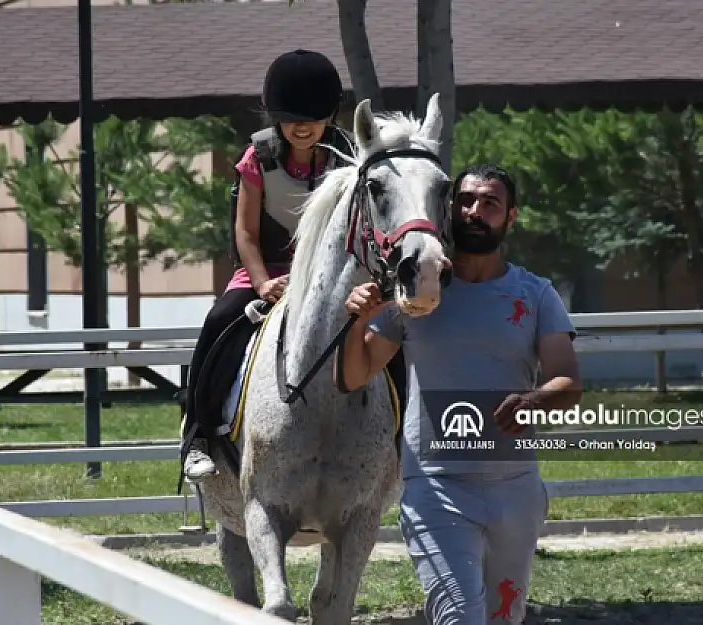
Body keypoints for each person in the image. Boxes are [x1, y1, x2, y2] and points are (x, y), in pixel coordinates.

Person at [338, 164, 583, 625]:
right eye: (466, 200)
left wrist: (533, 401)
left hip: (515, 490)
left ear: (510, 217)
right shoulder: (413, 294)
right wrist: (355, 321)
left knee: (502, 618)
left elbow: (567, 380)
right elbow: (354, 375)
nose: (475, 211)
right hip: (436, 488)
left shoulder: (534, 294)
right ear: (448, 210)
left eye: (490, 203)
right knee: (458, 617)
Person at [180, 48, 406, 481]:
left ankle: (402, 437)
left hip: (336, 274)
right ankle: (199, 436)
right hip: (267, 270)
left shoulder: (349, 154)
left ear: (329, 115)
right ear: (275, 118)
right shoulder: (257, 158)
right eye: (291, 117)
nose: (302, 126)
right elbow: (245, 232)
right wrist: (263, 284)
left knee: (393, 333)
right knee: (219, 322)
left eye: (314, 116)